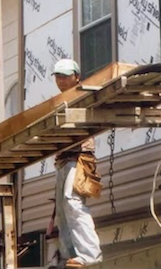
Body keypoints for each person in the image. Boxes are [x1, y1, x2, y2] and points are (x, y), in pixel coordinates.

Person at [50, 59, 103, 268]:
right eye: (58, 76)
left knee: (72, 201)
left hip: (78, 157)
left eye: (65, 76)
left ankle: (89, 254)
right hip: (63, 160)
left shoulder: (83, 94)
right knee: (63, 209)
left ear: (76, 76)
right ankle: (68, 256)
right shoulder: (58, 100)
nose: (61, 80)